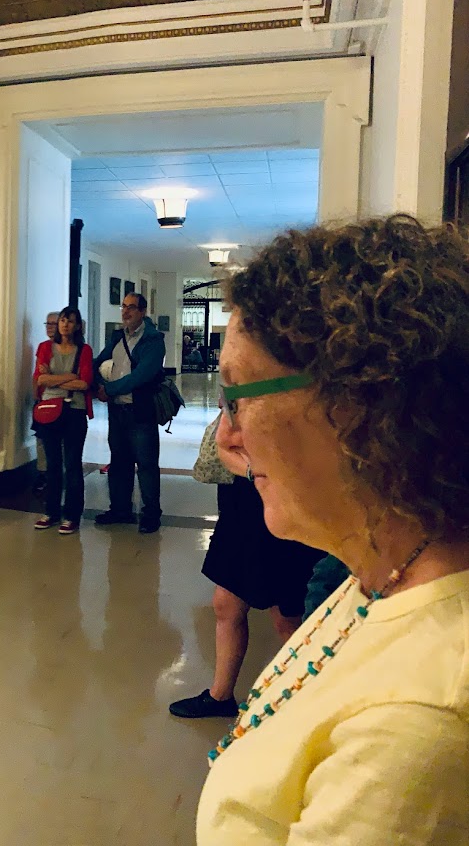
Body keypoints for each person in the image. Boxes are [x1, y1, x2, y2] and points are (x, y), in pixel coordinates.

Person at [196, 215, 469, 844]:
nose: (228, 436)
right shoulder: (383, 573)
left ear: (353, 407)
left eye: (239, 397)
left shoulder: (412, 726)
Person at [169, 471, 324, 718]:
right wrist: (253, 467)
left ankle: (315, 701)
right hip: (244, 504)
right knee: (226, 604)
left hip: (291, 503)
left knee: (288, 618)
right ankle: (220, 696)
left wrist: (256, 466)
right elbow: (226, 452)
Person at [92, 292, 165, 533]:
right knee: (119, 462)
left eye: (131, 307)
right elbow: (99, 362)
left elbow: (141, 376)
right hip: (117, 411)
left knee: (146, 464)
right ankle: (120, 509)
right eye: (123, 306)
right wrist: (95, 384)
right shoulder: (117, 337)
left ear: (142, 311)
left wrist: (109, 389)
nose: (125, 311)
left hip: (140, 412)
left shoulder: (153, 340)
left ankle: (151, 514)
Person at [32, 306, 94, 535]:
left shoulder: (84, 350)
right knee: (52, 464)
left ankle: (72, 515)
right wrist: (69, 377)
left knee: (73, 464)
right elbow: (40, 379)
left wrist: (53, 378)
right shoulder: (45, 347)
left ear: (77, 326)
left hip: (74, 411)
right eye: (62, 320)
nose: (65, 325)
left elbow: (84, 383)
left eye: (70, 321)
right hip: (49, 410)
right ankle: (51, 511)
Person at [34, 311, 60, 494]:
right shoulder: (43, 346)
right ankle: (44, 474)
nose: (49, 327)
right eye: (47, 323)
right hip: (42, 398)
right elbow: (40, 375)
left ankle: (56, 475)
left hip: (60, 399)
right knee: (41, 439)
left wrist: (51, 377)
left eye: (53, 323)